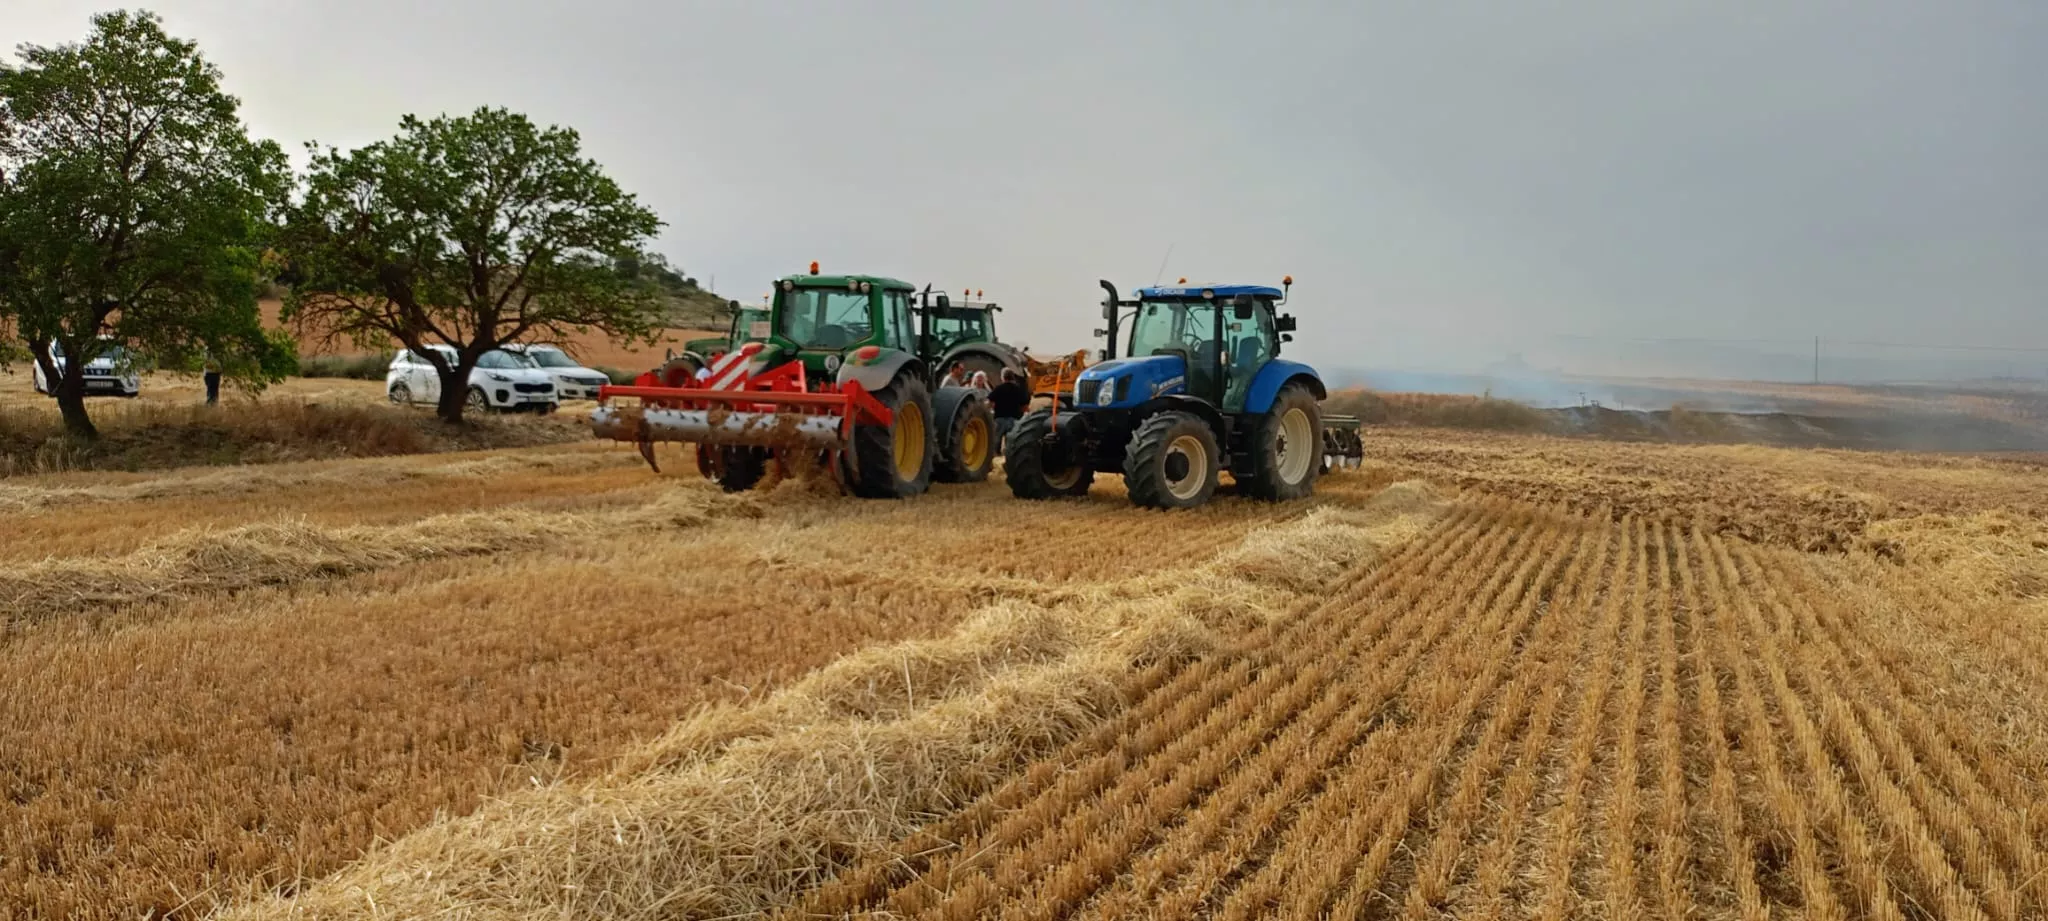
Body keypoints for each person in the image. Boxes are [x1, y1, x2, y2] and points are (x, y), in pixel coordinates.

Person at [987, 368, 1030, 455]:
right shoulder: (1019, 390)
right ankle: (1008, 459)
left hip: (999, 419)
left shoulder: (998, 388)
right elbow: (1025, 406)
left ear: (1003, 377)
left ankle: (995, 458)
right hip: (1014, 419)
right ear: (1013, 377)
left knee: (996, 442)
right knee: (1011, 444)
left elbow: (989, 402)